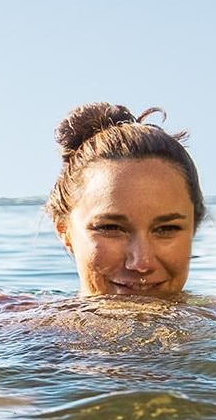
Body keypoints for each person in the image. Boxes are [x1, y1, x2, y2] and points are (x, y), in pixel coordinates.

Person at [45, 102, 205, 299]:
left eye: (167, 229)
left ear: (193, 227)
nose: (141, 264)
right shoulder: (12, 322)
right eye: (111, 228)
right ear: (63, 230)